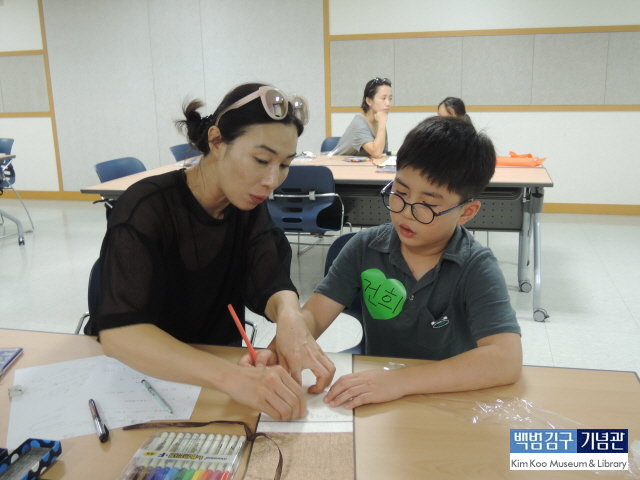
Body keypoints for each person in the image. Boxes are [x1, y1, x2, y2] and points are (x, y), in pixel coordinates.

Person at [89, 83, 336, 421]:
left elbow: (269, 278)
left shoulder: (246, 203)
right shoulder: (147, 207)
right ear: (217, 141)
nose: (272, 180)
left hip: (214, 373)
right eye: (261, 160)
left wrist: (290, 316)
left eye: (284, 164)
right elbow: (120, 334)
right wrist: (232, 379)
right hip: (141, 379)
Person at [298, 116, 521, 409]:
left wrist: (400, 382)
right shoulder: (365, 248)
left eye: (428, 205)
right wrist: (286, 344)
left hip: (448, 399)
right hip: (379, 401)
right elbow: (314, 317)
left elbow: (506, 360)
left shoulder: (475, 267)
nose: (406, 213)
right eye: (400, 193)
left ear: (466, 212)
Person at [332, 77, 392, 158]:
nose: (388, 103)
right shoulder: (359, 124)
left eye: (390, 98)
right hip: (338, 164)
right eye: (383, 98)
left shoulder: (379, 121)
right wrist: (382, 123)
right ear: (369, 101)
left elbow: (381, 153)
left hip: (362, 164)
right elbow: (377, 153)